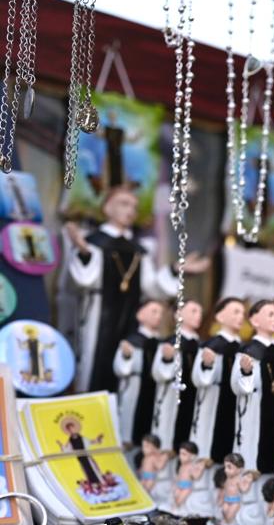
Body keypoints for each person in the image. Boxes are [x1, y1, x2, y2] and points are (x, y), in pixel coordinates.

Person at [65, 186, 208, 392]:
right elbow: (84, 280)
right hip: (99, 315)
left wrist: (175, 269)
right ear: (107, 208)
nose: (130, 210)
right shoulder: (94, 243)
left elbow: (151, 287)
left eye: (134, 206)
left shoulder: (139, 250)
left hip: (130, 314)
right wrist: (84, 254)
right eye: (124, 204)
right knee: (94, 365)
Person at [231, 300, 274, 473]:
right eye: (270, 314)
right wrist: (246, 372)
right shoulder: (248, 351)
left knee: (272, 459)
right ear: (255, 320)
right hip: (253, 414)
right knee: (251, 459)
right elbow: (236, 385)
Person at [191, 297, 245, 460]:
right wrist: (207, 365)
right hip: (213, 404)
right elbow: (198, 379)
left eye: (242, 313)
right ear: (220, 317)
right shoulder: (211, 346)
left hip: (237, 405)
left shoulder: (245, 349)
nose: (241, 316)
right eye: (236, 312)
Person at [151, 300, 203, 449]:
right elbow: (158, 373)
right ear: (178, 314)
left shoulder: (201, 345)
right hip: (172, 396)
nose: (198, 316)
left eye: (200, 312)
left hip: (194, 396)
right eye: (193, 311)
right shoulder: (170, 342)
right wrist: (167, 359)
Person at [113, 300, 164, 446]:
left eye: (160, 313)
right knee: (130, 421)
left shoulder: (162, 343)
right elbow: (120, 368)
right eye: (154, 311)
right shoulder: (132, 341)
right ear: (140, 315)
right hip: (134, 388)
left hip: (155, 389)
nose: (158, 316)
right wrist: (127, 356)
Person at [216, 452, 259, 525]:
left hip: (235, 502)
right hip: (226, 500)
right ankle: (225, 524)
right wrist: (221, 496)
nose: (225, 470)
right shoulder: (227, 478)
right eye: (225, 467)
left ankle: (229, 524)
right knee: (224, 512)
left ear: (239, 469)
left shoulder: (239, 480)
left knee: (230, 516)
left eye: (229, 467)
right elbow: (225, 488)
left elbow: (244, 490)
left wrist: (247, 483)